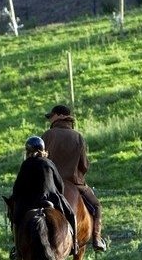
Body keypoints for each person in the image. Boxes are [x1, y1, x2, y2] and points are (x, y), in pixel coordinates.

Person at [42, 104, 107, 251]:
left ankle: (17, 244)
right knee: (96, 206)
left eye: (51, 116)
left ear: (60, 115)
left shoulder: (47, 135)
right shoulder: (78, 137)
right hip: (74, 183)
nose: (50, 119)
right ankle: (97, 239)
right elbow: (84, 165)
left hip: (49, 183)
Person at [10, 135, 77, 256]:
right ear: (43, 149)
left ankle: (17, 249)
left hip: (30, 202)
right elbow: (60, 185)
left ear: (28, 151)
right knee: (71, 215)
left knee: (16, 220)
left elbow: (17, 189)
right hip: (51, 198)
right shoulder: (49, 163)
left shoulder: (26, 164)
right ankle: (75, 245)